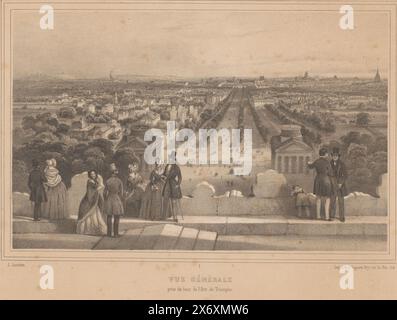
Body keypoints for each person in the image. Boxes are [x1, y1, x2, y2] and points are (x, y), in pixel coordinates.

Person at [76, 170, 107, 235]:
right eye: (92, 174)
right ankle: (87, 231)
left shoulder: (95, 181)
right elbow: (91, 192)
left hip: (95, 200)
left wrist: (100, 186)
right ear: (90, 175)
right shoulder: (89, 181)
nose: (93, 175)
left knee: (96, 217)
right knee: (89, 216)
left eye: (94, 174)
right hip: (90, 200)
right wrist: (100, 186)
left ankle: (96, 230)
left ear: (95, 174)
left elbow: (97, 189)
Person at [307, 148, 332, 221]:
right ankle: (327, 217)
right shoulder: (327, 162)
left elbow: (310, 167)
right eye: (327, 153)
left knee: (318, 197)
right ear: (325, 154)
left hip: (318, 180)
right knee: (327, 198)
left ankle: (318, 216)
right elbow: (330, 172)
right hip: (326, 180)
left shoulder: (317, 161)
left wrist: (308, 163)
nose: (327, 155)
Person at [104, 166, 124, 237]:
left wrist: (106, 199)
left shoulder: (107, 181)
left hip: (109, 199)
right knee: (117, 216)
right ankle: (116, 234)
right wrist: (120, 199)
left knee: (109, 216)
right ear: (115, 173)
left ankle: (109, 234)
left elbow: (104, 193)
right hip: (116, 199)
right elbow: (121, 193)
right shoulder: (119, 181)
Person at [162, 152, 182, 222]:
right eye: (170, 158)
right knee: (165, 200)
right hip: (167, 185)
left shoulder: (176, 167)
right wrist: (162, 176)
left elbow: (180, 177)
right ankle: (164, 217)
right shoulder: (167, 166)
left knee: (174, 202)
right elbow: (164, 174)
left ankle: (175, 217)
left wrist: (178, 184)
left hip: (173, 185)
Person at [329, 147, 348, 222]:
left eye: (336, 155)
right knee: (332, 201)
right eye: (333, 155)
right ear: (332, 156)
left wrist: (340, 183)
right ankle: (332, 216)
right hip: (332, 185)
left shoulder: (342, 164)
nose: (334, 157)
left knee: (341, 202)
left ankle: (342, 217)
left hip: (340, 186)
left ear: (338, 156)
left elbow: (346, 175)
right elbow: (328, 174)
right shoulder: (329, 164)